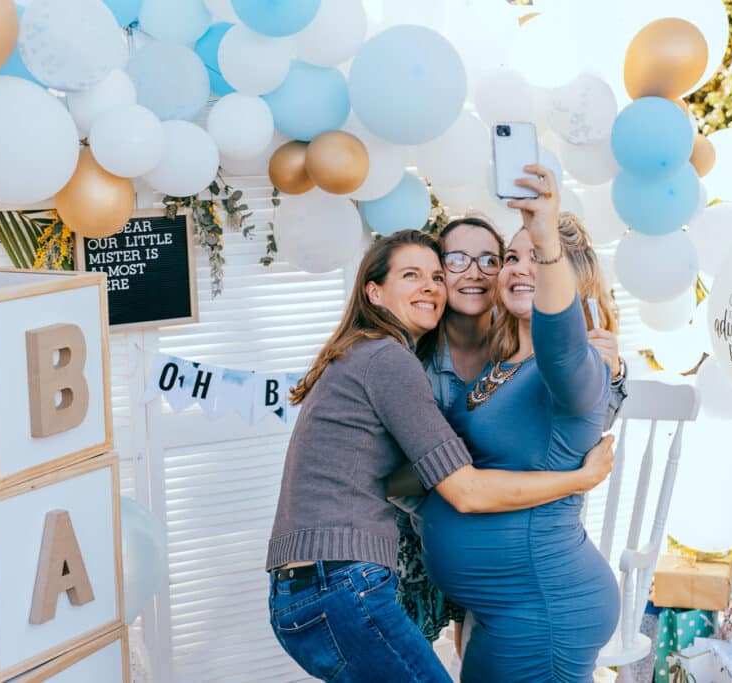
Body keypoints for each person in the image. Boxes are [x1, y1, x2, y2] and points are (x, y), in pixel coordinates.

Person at [266, 229, 615, 683]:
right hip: (341, 584)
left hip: (322, 585)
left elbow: (565, 360)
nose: (431, 286)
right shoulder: (389, 360)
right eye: (411, 275)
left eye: (435, 275)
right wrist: (579, 479)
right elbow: (465, 490)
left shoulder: (371, 354)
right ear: (374, 291)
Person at [421, 166, 621, 682]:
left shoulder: (575, 367)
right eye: (513, 257)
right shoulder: (501, 365)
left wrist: (545, 237)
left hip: (544, 607)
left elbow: (561, 336)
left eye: (538, 257)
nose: (519, 268)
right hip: (499, 608)